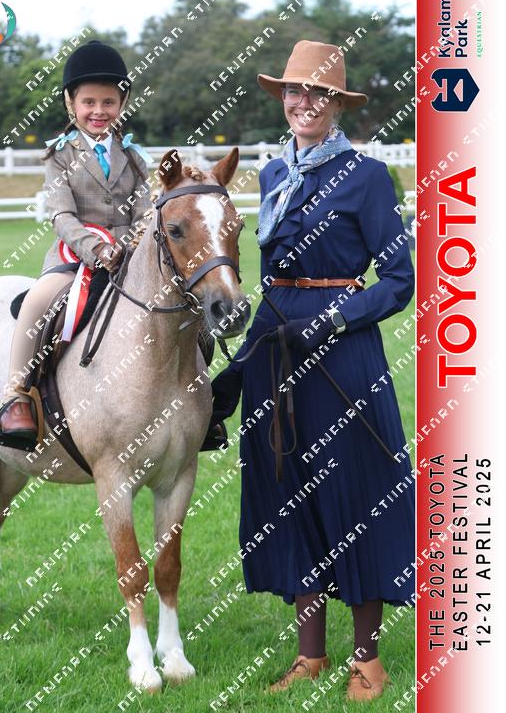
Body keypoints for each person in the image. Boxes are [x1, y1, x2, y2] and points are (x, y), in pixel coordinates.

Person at [209, 41, 415, 702]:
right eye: (295, 92)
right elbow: (271, 281)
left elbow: (400, 281)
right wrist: (238, 370)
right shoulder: (274, 173)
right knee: (289, 495)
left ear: (336, 104)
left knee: (355, 496)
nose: (304, 102)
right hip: (276, 350)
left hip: (343, 354)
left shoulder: (366, 176)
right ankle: (310, 655)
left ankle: (367, 661)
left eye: (318, 93)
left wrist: (332, 321)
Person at [0, 40, 151, 447]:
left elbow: (145, 212)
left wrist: (130, 246)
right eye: (89, 102)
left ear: (122, 103)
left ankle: (198, 399)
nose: (99, 111)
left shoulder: (133, 156)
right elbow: (62, 216)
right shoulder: (59, 156)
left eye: (108, 102)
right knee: (37, 302)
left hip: (130, 258)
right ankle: (16, 395)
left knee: (184, 302)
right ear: (71, 104)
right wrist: (96, 249)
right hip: (74, 258)